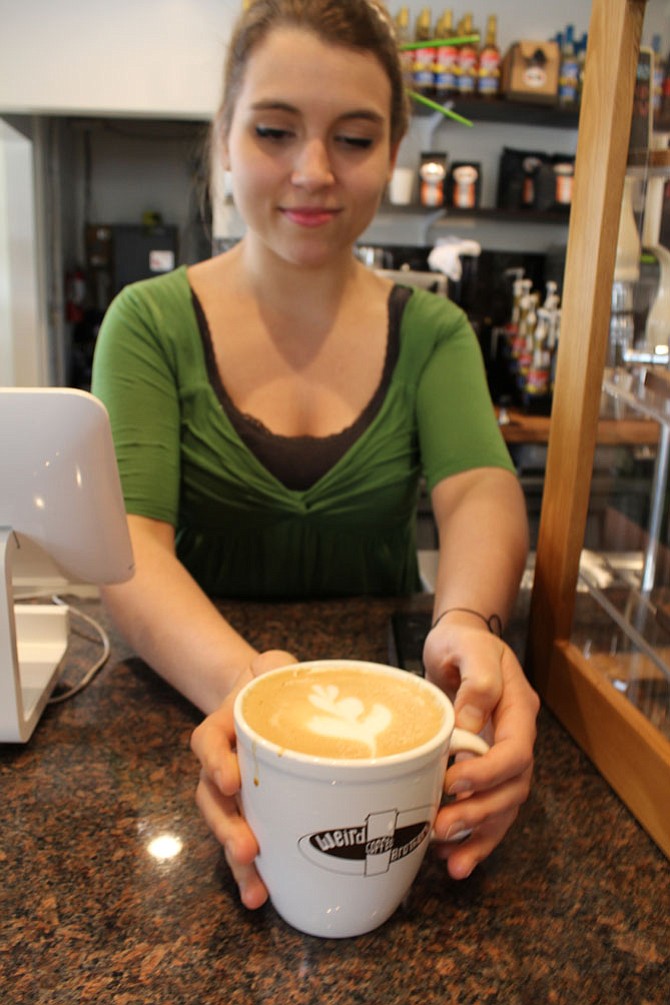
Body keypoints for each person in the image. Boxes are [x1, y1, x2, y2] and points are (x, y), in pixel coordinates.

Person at [91, 0, 539, 908]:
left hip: (387, 735)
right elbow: (128, 544)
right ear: (223, 136)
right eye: (274, 130)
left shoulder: (434, 331)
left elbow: (481, 489)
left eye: (354, 139)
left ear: (395, 151)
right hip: (187, 710)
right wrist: (245, 685)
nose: (312, 172)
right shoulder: (148, 323)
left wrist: (468, 622)